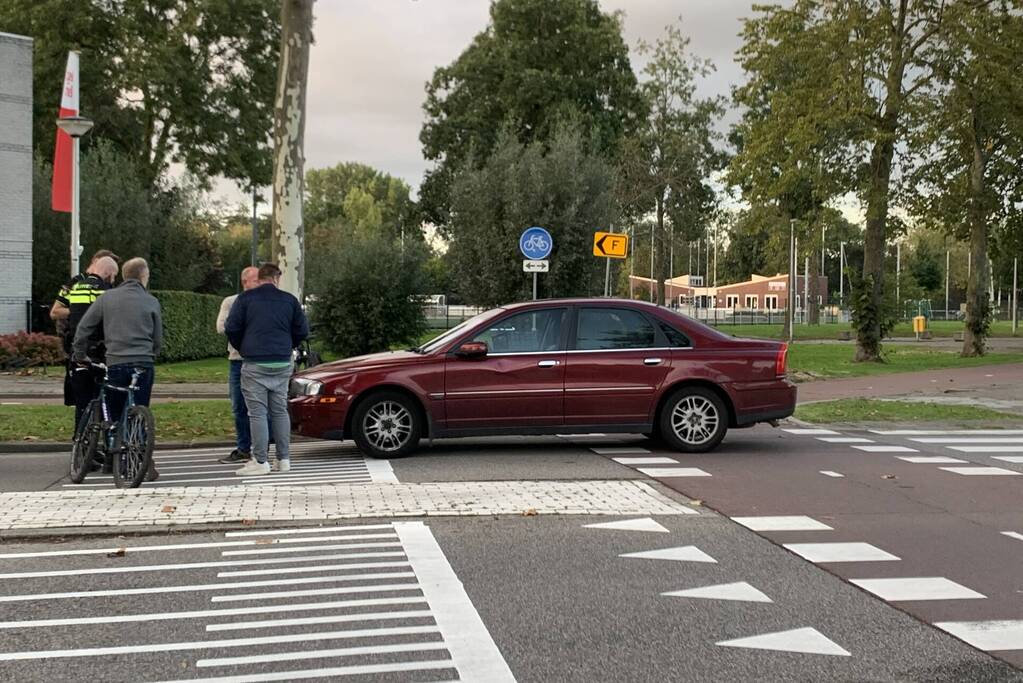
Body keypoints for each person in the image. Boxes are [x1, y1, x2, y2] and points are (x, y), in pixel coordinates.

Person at [73, 257, 163, 482]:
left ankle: (113, 452)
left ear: (123, 276)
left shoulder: (107, 298)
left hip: (116, 361)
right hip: (143, 362)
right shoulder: (151, 301)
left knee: (112, 413)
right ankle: (141, 458)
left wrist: (79, 353)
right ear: (144, 276)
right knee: (138, 409)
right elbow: (158, 338)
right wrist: (153, 352)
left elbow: (84, 327)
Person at [225, 262, 309, 476]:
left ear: (260, 278)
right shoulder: (289, 301)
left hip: (255, 361)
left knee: (257, 412)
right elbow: (302, 330)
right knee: (280, 410)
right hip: (282, 361)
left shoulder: (244, 299)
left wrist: (243, 346)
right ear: (276, 278)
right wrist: (288, 345)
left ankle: (261, 460)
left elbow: (231, 328)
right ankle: (284, 459)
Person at [52, 254, 120, 431]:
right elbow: (55, 312)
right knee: (99, 394)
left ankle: (81, 442)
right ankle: (96, 441)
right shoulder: (103, 289)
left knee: (82, 402)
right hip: (95, 348)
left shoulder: (75, 287)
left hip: (77, 346)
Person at [215, 266, 266, 464]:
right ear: (245, 282)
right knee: (239, 405)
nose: (260, 282)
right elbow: (222, 327)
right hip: (238, 359)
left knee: (263, 405)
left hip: (260, 359)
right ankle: (243, 446)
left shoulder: (265, 301)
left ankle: (264, 446)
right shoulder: (231, 302)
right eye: (256, 279)